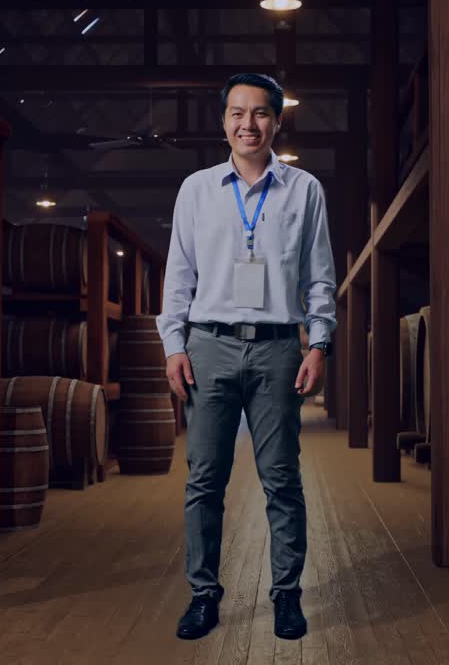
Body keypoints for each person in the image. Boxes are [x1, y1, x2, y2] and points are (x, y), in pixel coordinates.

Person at [156, 72, 337, 641]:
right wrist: (174, 346)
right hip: (208, 345)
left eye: (260, 113)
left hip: (279, 350)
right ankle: (204, 596)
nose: (247, 124)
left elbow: (320, 277)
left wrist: (320, 342)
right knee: (204, 480)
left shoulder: (304, 190)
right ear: (223, 122)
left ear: (277, 121)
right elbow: (178, 275)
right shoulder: (196, 190)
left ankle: (286, 595)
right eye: (237, 113)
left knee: (281, 479)